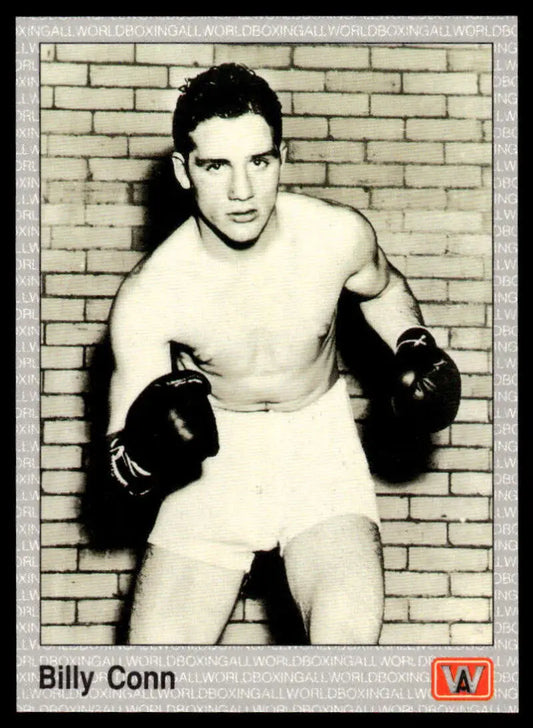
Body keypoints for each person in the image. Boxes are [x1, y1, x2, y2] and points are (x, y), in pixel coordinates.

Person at [105, 63, 460, 645]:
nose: (241, 191)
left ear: (282, 157)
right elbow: (121, 460)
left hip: (317, 447)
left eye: (259, 161)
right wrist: (143, 453)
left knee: (346, 642)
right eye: (215, 165)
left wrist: (414, 343)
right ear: (182, 170)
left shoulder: (334, 236)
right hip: (213, 469)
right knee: (156, 667)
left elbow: (387, 289)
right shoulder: (153, 293)